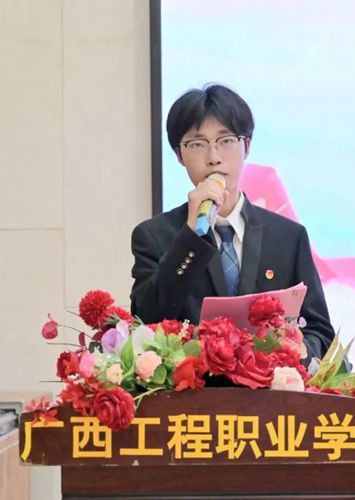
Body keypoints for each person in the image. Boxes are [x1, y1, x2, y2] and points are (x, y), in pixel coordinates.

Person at [130, 83, 335, 362]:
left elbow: (319, 331)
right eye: (197, 144)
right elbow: (145, 322)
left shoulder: (288, 237)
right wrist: (190, 237)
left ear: (246, 146)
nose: (214, 157)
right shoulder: (154, 236)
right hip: (191, 388)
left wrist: (294, 353)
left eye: (226, 140)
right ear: (179, 155)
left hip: (272, 388)